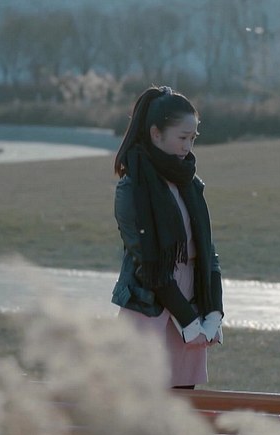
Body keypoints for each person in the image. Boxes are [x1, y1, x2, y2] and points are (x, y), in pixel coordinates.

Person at [111, 86, 224, 389]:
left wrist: (214, 311)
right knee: (140, 402)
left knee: (182, 405)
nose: (188, 146)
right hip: (150, 306)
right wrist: (187, 319)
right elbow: (148, 264)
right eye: (182, 137)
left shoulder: (190, 184)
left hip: (190, 303)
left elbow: (207, 252)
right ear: (156, 134)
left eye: (193, 138)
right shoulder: (132, 188)